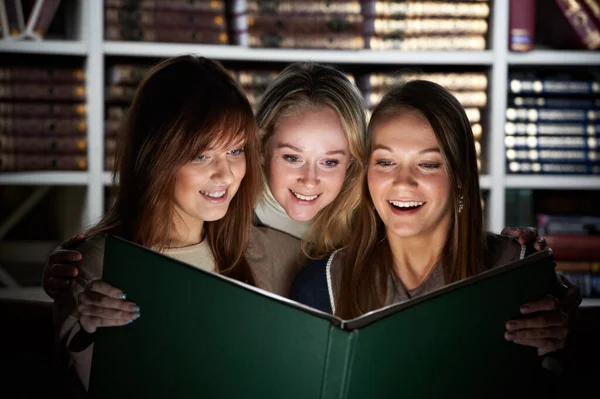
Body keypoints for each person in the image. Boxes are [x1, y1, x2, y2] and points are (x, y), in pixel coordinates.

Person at [43, 63, 550, 298]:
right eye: (291, 157)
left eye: (332, 162)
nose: (310, 180)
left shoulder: (374, 216)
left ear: (355, 164)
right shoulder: (223, 214)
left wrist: (525, 263)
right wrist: (78, 272)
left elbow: (443, 233)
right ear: (260, 148)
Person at [53, 55, 301, 393]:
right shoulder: (95, 266)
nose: (225, 175)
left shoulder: (274, 253)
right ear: (157, 157)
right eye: (201, 156)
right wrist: (87, 330)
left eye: (235, 151)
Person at [290, 80, 580, 359]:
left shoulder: (518, 271)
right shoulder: (321, 286)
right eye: (386, 162)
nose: (403, 183)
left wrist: (564, 347)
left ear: (459, 178)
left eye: (428, 164)